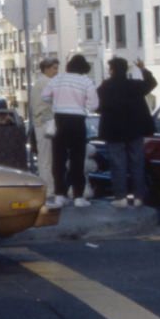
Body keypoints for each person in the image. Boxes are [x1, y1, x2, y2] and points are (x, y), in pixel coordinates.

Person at [97, 57, 157, 208]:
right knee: (137, 163)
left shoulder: (105, 87)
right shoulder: (135, 85)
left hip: (114, 131)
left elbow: (96, 105)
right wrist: (142, 69)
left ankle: (121, 197)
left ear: (112, 70)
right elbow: (152, 83)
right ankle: (138, 197)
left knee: (118, 164)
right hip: (136, 130)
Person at [41, 54, 98, 207]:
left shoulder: (57, 79)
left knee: (58, 158)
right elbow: (94, 105)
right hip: (77, 122)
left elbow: (45, 96)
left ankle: (60, 195)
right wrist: (82, 104)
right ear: (84, 68)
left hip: (59, 120)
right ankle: (78, 196)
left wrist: (57, 101)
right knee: (77, 159)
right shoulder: (86, 81)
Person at [29, 58, 61, 206]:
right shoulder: (47, 83)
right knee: (46, 159)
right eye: (54, 68)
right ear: (46, 69)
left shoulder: (39, 83)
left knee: (45, 158)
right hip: (46, 123)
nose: (56, 71)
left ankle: (49, 188)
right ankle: (48, 190)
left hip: (42, 123)